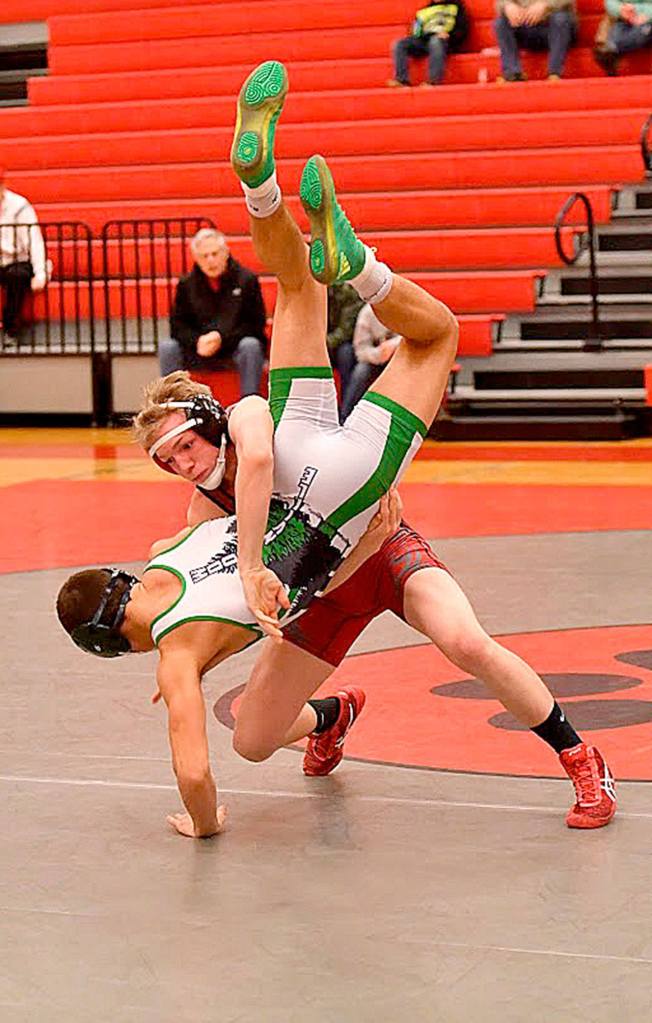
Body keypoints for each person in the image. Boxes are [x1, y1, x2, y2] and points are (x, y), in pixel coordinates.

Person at [56, 60, 458, 839]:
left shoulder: (181, 599)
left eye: (179, 454)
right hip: (305, 446)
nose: (181, 469)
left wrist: (199, 820)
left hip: (327, 489)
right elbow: (196, 540)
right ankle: (260, 188)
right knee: (301, 286)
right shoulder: (172, 541)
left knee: (405, 323)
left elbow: (196, 763)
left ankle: (315, 231)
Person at [160, 228, 267, 397]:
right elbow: (178, 326)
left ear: (226, 253)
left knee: (251, 345)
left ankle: (250, 402)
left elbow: (255, 324)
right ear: (196, 258)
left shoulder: (247, 280)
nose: (210, 260)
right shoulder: (186, 284)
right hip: (199, 349)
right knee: (168, 347)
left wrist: (221, 339)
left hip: (234, 347)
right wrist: (197, 341)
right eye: (204, 256)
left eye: (214, 254)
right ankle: (171, 405)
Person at [0, 170, 47, 345]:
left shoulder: (19, 206)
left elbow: (34, 240)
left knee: (17, 276)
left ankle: (11, 331)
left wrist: (40, 273)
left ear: (2, 187)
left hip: (17, 260)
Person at [340, 302, 402, 420]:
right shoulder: (367, 313)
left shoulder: (403, 308)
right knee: (361, 371)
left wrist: (393, 345)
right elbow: (361, 351)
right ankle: (345, 417)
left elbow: (416, 334)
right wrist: (379, 354)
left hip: (401, 357)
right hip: (375, 359)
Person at [388, 0, 469, 87]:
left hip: (444, 41)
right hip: (424, 40)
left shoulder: (456, 7)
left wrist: (450, 35)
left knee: (435, 41)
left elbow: (462, 29)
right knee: (399, 44)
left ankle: (433, 82)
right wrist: (417, 33)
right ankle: (402, 80)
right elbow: (416, 31)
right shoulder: (423, 11)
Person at [493, 0, 577, 81]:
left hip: (555, 28)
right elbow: (500, 2)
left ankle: (554, 72)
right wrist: (508, 5)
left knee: (561, 19)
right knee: (501, 23)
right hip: (527, 26)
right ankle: (513, 73)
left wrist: (546, 4)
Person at [326, 281, 364, 412]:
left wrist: (322, 344)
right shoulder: (305, 292)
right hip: (319, 343)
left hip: (341, 344)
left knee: (346, 353)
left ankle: (346, 411)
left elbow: (345, 330)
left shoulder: (346, 291)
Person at [593, 0, 652, 75]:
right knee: (614, 29)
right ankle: (609, 51)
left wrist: (643, 13)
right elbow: (610, 2)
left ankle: (612, 49)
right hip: (621, 18)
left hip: (647, 18)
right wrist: (620, 10)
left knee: (642, 31)